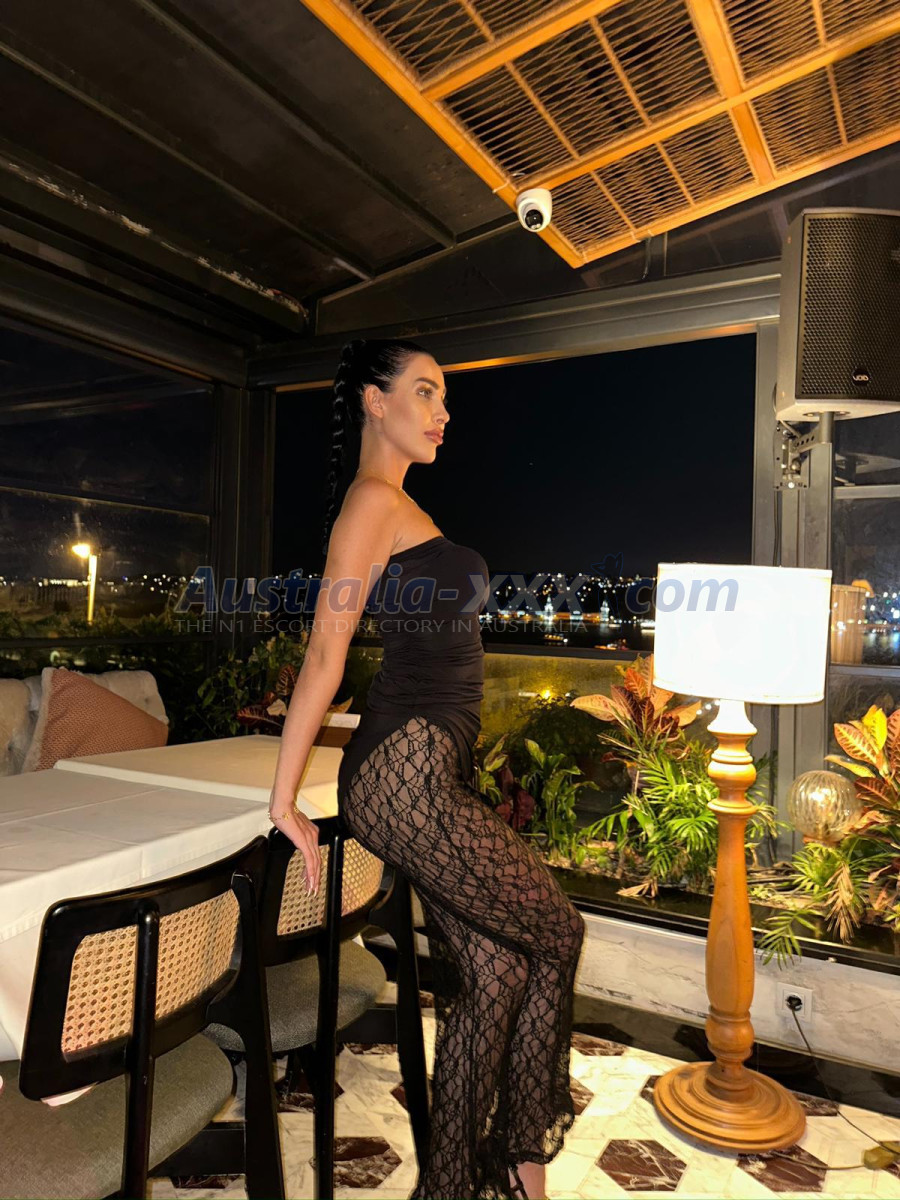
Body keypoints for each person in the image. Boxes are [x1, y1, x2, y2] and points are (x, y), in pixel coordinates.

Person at [268, 338, 586, 1200]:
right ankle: (520, 1166)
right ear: (376, 402)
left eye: (444, 397)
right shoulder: (370, 503)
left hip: (424, 766)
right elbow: (326, 652)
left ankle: (450, 1185)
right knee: (557, 932)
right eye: (424, 392)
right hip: (401, 770)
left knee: (498, 971)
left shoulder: (399, 505)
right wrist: (284, 796)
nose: (443, 412)